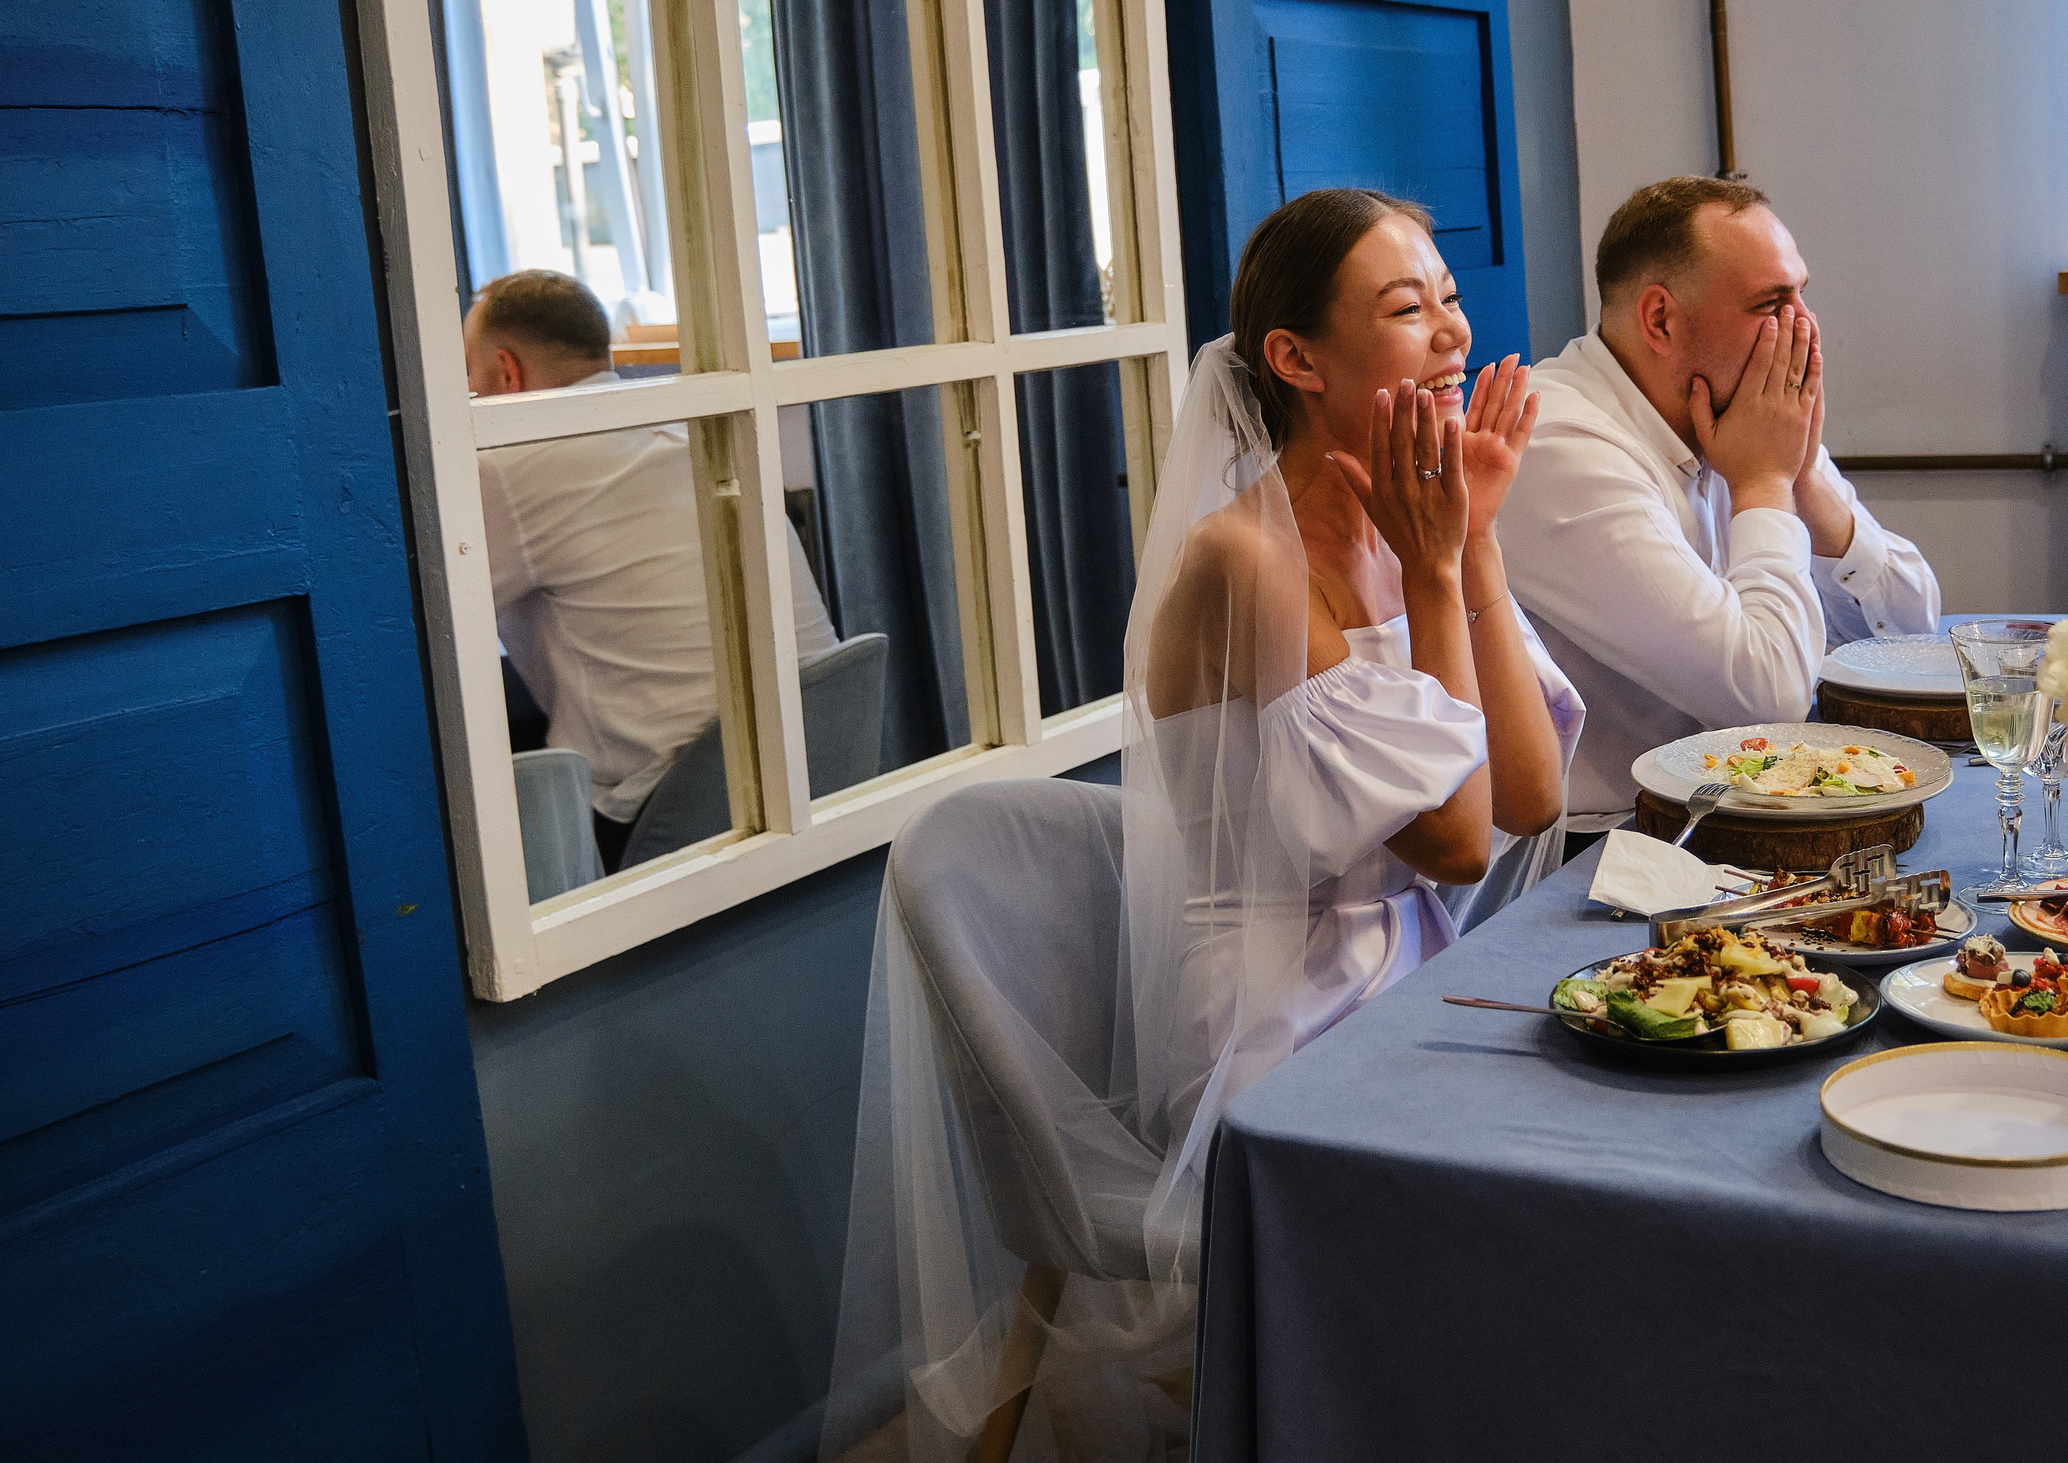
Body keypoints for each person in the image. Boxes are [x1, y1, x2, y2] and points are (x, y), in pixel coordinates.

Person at [833, 191, 1583, 1460]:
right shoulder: (1245, 560)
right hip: (1276, 1019)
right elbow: (1457, 847)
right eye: (1407, 311)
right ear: (1295, 360)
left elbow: (1531, 798)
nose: (1454, 335)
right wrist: (1444, 568)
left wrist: (1477, 550)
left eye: (1450, 299)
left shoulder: (1417, 524)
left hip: (1412, 979)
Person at [1498, 177, 1940, 837]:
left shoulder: (1745, 415)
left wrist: (1806, 489)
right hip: (1597, 852)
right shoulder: (1557, 439)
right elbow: (1769, 693)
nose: (1806, 329)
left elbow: (1911, 633)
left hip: (1724, 813)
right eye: (1772, 303)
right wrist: (1764, 482)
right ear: (1660, 319)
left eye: (1803, 296)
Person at [463, 270, 837, 869]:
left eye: (468, 378)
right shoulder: (695, 429)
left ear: (507, 373)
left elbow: (412, 618)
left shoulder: (509, 464)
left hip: (677, 809)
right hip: (819, 762)